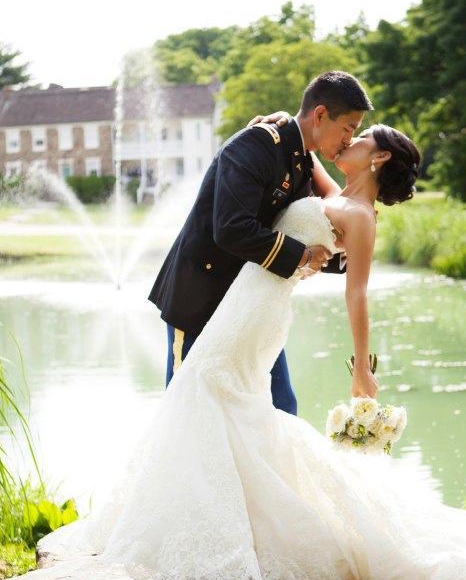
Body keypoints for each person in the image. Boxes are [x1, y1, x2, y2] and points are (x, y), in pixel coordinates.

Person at [39, 124, 466, 580]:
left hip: (259, 313)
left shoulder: (361, 217)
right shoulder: (333, 188)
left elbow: (357, 295)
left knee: (210, 395)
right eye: (347, 130)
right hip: (244, 305)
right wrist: (274, 124)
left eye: (360, 138)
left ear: (377, 158)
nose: (349, 139)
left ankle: (226, 537)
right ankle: (213, 531)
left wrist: (362, 370)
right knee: (218, 403)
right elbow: (303, 145)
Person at [148, 70, 373, 415]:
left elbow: (328, 211)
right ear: (320, 115)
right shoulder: (256, 144)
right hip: (200, 297)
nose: (348, 139)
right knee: (186, 407)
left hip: (252, 302)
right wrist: (301, 257)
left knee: (281, 407)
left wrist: (363, 211)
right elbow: (232, 228)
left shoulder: (302, 158)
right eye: (348, 128)